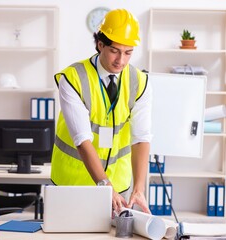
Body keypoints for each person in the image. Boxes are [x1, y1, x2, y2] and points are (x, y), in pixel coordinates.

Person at [51, 8, 152, 214]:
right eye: (115, 50)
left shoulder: (139, 81)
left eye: (128, 52)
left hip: (119, 188)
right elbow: (82, 139)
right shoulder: (72, 78)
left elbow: (141, 137)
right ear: (100, 44)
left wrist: (139, 188)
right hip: (73, 186)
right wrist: (104, 185)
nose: (121, 60)